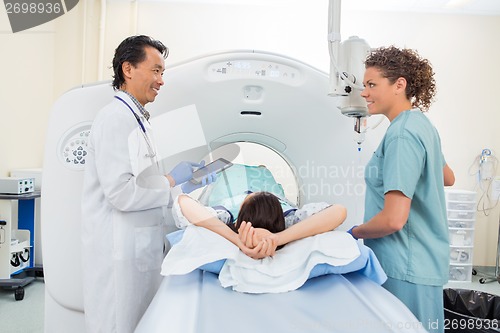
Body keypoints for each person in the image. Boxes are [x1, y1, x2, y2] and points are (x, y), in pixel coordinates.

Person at [81, 35, 212, 333]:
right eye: (155, 70)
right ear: (128, 69)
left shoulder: (139, 121)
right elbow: (121, 194)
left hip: (138, 249)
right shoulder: (115, 119)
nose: (161, 80)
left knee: (139, 323)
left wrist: (185, 185)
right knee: (117, 324)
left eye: (162, 72)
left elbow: (149, 186)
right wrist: (170, 180)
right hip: (118, 251)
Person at [348, 46, 455, 333]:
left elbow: (394, 219)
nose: (365, 93)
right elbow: (448, 177)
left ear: (399, 85)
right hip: (424, 260)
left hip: (404, 263)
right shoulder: (421, 125)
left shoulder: (401, 135)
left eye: (372, 85)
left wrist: (353, 233)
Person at [174, 191, 347, 258]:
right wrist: (277, 238)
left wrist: (275, 238)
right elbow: (339, 211)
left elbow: (183, 201)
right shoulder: (291, 220)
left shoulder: (226, 219)